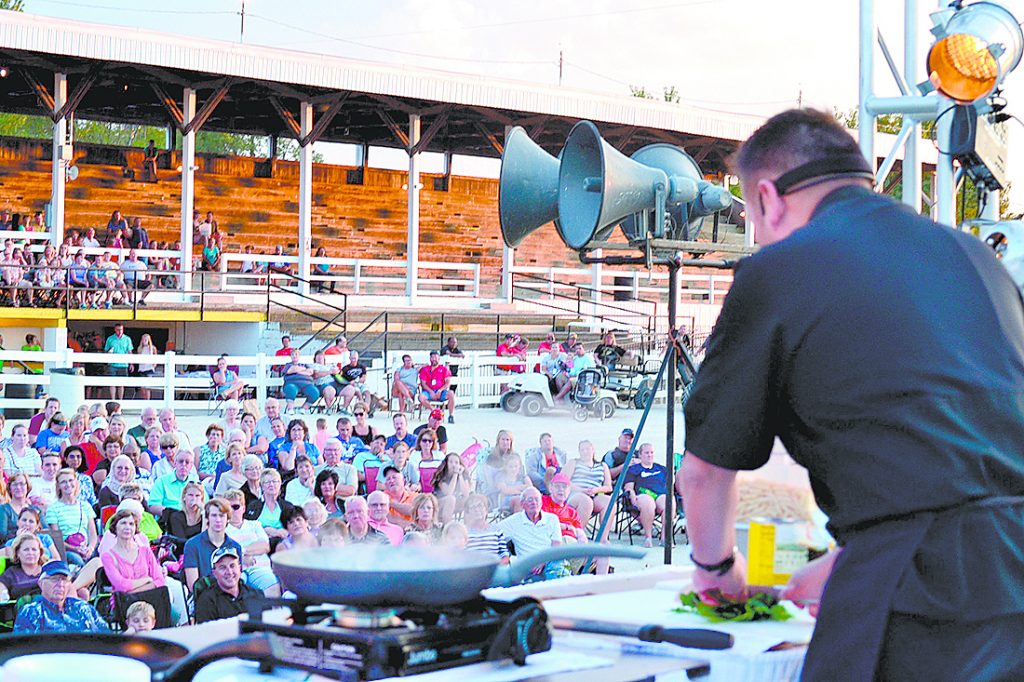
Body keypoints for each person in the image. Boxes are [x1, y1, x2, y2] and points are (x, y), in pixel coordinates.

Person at [680, 108, 1024, 681]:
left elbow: (704, 473)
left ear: (767, 197)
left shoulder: (781, 269)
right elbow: (965, 464)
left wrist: (716, 571)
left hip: (930, 603)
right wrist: (851, 559)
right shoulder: (975, 257)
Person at [13, 560, 108, 633]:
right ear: (41, 583)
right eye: (54, 579)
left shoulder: (83, 607)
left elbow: (106, 638)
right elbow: (22, 650)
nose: (60, 584)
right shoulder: (31, 612)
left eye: (64, 580)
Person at [497, 487, 566, 581]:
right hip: (530, 568)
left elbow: (557, 546)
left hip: (550, 561)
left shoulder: (552, 519)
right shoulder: (514, 522)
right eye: (530, 500)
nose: (534, 502)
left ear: (541, 502)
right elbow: (492, 532)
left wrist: (543, 561)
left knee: (557, 568)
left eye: (537, 499)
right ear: (522, 504)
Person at [222, 488, 279, 597]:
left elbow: (265, 546)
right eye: (228, 508)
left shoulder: (255, 525)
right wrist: (242, 558)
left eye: (236, 507)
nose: (232, 511)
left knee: (273, 587)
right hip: (234, 571)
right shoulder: (223, 529)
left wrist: (241, 551)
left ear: (243, 508)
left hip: (259, 568)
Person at [183, 498, 243, 592]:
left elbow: (236, 581)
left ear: (228, 519)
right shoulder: (192, 545)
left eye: (222, 516)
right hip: (204, 597)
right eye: (214, 515)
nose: (218, 520)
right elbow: (193, 586)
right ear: (207, 518)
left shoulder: (235, 547)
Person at [193, 545, 264, 624]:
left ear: (240, 568)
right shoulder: (206, 601)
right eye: (222, 567)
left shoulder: (256, 595)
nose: (229, 572)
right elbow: (206, 633)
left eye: (232, 566)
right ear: (214, 573)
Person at [46, 468, 97, 565]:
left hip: (86, 547)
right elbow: (57, 539)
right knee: (78, 561)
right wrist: (76, 549)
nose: (68, 484)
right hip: (67, 549)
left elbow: (92, 533)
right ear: (59, 486)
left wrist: (90, 548)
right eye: (63, 482)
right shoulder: (53, 509)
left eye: (70, 480)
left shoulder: (85, 505)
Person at [621, 443, 667, 549]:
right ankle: (648, 537)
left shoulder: (662, 469)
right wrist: (631, 495)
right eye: (646, 453)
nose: (649, 455)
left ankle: (664, 537)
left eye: (651, 452)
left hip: (660, 495)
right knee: (648, 503)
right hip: (642, 496)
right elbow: (629, 487)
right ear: (640, 455)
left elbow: (669, 486)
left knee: (668, 502)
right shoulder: (633, 469)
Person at [565, 439, 614, 535]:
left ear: (593, 450)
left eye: (587, 449)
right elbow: (564, 481)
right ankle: (578, 535)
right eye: (582, 450)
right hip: (576, 494)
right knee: (586, 501)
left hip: (594, 494)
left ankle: (603, 537)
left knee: (609, 502)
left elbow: (608, 487)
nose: (585, 452)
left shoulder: (602, 465)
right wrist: (582, 490)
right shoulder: (574, 462)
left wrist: (596, 490)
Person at [244, 468, 295, 542]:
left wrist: (277, 533)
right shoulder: (253, 506)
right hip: (260, 543)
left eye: (274, 481)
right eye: (267, 482)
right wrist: (266, 531)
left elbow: (294, 527)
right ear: (261, 485)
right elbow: (247, 529)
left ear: (280, 484)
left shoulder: (287, 506)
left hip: (284, 543)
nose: (271, 484)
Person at [148, 446, 199, 517]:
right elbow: (153, 506)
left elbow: (205, 505)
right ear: (175, 463)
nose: (183, 465)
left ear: (191, 466)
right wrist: (172, 515)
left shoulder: (196, 484)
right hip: (168, 521)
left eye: (187, 462)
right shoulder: (161, 481)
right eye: (181, 461)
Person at [464, 494, 510, 564]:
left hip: (494, 570)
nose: (476, 509)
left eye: (480, 506)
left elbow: (504, 555)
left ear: (486, 509)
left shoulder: (496, 530)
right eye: (473, 507)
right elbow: (460, 557)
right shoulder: (463, 532)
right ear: (468, 512)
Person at [0, 533, 46, 601]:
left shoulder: (48, 570)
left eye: (34, 549)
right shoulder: (10, 573)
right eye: (26, 549)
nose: (30, 553)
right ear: (17, 553)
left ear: (40, 552)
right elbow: (2, 594)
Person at [431, 453, 471, 523]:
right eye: (451, 462)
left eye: (456, 462)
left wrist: (460, 475)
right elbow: (449, 492)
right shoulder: (441, 477)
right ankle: (447, 526)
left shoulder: (464, 475)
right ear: (447, 464)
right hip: (440, 504)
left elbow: (466, 493)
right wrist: (455, 474)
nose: (454, 465)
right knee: (451, 499)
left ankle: (468, 525)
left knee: (469, 499)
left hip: (456, 503)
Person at [418, 350, 456, 423]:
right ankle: (435, 411)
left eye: (435, 357)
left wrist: (440, 390)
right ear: (430, 359)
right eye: (432, 357)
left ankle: (451, 415)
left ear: (439, 358)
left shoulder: (444, 369)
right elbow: (423, 383)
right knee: (421, 397)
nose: (434, 359)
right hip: (429, 391)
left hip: (441, 391)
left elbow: (447, 383)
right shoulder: (425, 369)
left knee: (451, 393)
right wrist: (431, 392)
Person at [281, 349, 320, 413]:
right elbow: (290, 370)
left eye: (296, 354)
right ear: (290, 356)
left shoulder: (304, 365)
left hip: (307, 384)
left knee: (315, 392)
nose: (294, 356)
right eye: (292, 355)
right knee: (291, 389)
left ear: (299, 356)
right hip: (292, 383)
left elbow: (310, 372)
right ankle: (290, 409)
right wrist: (304, 370)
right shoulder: (288, 365)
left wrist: (297, 371)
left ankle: (303, 409)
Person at [104, 323, 134, 400]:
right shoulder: (110, 339)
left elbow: (129, 351)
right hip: (112, 364)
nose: (119, 331)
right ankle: (113, 400)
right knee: (112, 383)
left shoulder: (127, 339)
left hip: (123, 364)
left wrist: (131, 364)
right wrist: (108, 352)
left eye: (121, 330)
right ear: (115, 330)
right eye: (118, 330)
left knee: (121, 384)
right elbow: (106, 350)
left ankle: (120, 400)